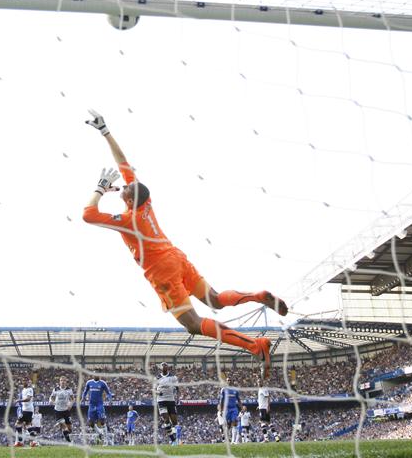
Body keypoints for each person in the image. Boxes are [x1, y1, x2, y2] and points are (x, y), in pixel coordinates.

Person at [83, 110, 288, 377]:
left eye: (124, 189)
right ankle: (256, 296)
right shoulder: (145, 204)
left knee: (192, 324)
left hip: (163, 272)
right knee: (214, 300)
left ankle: (255, 345)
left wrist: (100, 188)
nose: (122, 187)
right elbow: (124, 164)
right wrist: (105, 131)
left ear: (130, 201)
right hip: (177, 258)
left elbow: (88, 215)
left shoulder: (129, 219)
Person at [82, 375, 112, 444]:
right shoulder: (89, 383)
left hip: (99, 404)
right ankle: (99, 432)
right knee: (90, 423)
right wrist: (83, 397)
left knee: (102, 421)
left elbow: (108, 392)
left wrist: (110, 399)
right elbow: (85, 391)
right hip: (91, 404)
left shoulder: (103, 383)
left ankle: (105, 439)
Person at [156, 362, 179, 444]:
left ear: (167, 367)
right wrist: (158, 393)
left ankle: (177, 438)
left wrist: (178, 398)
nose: (164, 366)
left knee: (174, 421)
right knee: (166, 420)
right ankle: (173, 440)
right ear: (160, 368)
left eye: (165, 365)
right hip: (161, 400)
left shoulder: (173, 377)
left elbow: (177, 388)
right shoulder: (157, 378)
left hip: (171, 400)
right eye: (162, 365)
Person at [49, 376, 75, 442]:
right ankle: (69, 441)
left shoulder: (69, 389)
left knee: (69, 429)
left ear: (66, 382)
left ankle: (62, 429)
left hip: (66, 410)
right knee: (64, 426)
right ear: (59, 382)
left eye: (64, 380)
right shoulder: (56, 389)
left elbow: (72, 399)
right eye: (61, 380)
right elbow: (51, 397)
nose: (63, 382)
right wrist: (52, 401)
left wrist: (70, 404)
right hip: (58, 410)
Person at [218, 375, 242, 444]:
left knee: (234, 423)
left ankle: (233, 441)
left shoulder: (235, 390)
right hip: (226, 409)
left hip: (234, 408)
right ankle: (227, 439)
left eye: (230, 380)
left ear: (232, 382)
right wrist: (220, 410)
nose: (229, 381)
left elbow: (238, 400)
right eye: (228, 380)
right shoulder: (223, 390)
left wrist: (242, 407)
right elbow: (221, 401)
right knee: (227, 425)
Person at [14, 380, 37, 447]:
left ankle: (20, 439)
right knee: (28, 426)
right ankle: (34, 441)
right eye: (27, 382)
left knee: (17, 424)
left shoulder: (30, 389)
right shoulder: (23, 390)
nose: (28, 383)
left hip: (27, 410)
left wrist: (19, 400)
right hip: (26, 410)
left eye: (29, 382)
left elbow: (28, 399)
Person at [257, 378, 278, 442]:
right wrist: (259, 406)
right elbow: (262, 399)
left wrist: (268, 406)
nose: (259, 383)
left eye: (260, 382)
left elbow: (268, 397)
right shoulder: (260, 390)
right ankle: (276, 437)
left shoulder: (263, 389)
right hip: (262, 407)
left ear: (262, 382)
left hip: (263, 408)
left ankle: (266, 439)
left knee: (262, 423)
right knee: (269, 423)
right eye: (258, 382)